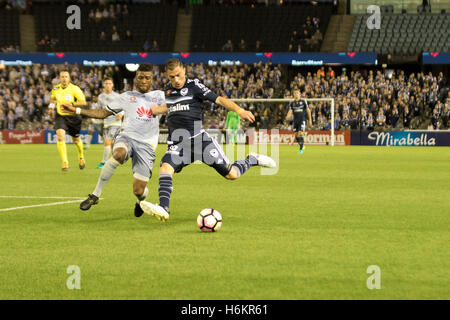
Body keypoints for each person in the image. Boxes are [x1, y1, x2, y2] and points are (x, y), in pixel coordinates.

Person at [139, 58, 276, 222]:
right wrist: (152, 111)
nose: (175, 80)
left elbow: (218, 99)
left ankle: (252, 159)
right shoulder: (168, 90)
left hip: (199, 141)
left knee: (231, 174)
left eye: (178, 75)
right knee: (165, 168)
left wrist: (239, 110)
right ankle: (164, 208)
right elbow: (170, 107)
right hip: (178, 143)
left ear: (184, 71)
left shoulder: (194, 86)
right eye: (171, 77)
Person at [60, 64, 164, 217]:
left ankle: (140, 200)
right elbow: (103, 112)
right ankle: (95, 195)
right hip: (127, 137)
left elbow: (180, 103)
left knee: (138, 191)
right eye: (140, 77)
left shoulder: (161, 96)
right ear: (136, 78)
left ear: (152, 79)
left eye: (147, 78)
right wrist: (77, 110)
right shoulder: (126, 97)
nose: (143, 80)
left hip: (147, 145)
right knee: (118, 153)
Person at [48, 70, 87, 171]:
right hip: (60, 116)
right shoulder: (55, 89)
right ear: (59, 78)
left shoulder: (75, 89)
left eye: (66, 77)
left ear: (69, 78)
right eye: (62, 77)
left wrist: (72, 105)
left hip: (73, 117)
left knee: (76, 140)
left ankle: (81, 156)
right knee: (60, 136)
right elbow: (53, 99)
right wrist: (51, 108)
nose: (64, 79)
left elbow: (83, 102)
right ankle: (65, 162)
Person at [94, 78, 123, 169]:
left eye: (109, 83)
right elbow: (98, 109)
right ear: (104, 85)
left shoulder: (117, 96)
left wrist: (121, 114)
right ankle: (121, 157)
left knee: (107, 141)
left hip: (115, 122)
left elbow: (124, 108)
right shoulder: (100, 97)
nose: (107, 85)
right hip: (106, 123)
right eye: (106, 83)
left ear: (112, 85)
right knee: (110, 143)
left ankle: (103, 163)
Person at [285, 87, 312, 154]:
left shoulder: (303, 101)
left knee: (300, 133)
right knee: (296, 135)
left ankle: (301, 149)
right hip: (295, 121)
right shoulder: (292, 103)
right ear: (293, 94)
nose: (296, 94)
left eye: (297, 93)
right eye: (295, 93)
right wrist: (287, 117)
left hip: (302, 120)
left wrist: (310, 120)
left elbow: (308, 111)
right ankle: (302, 145)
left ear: (299, 94)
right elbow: (290, 111)